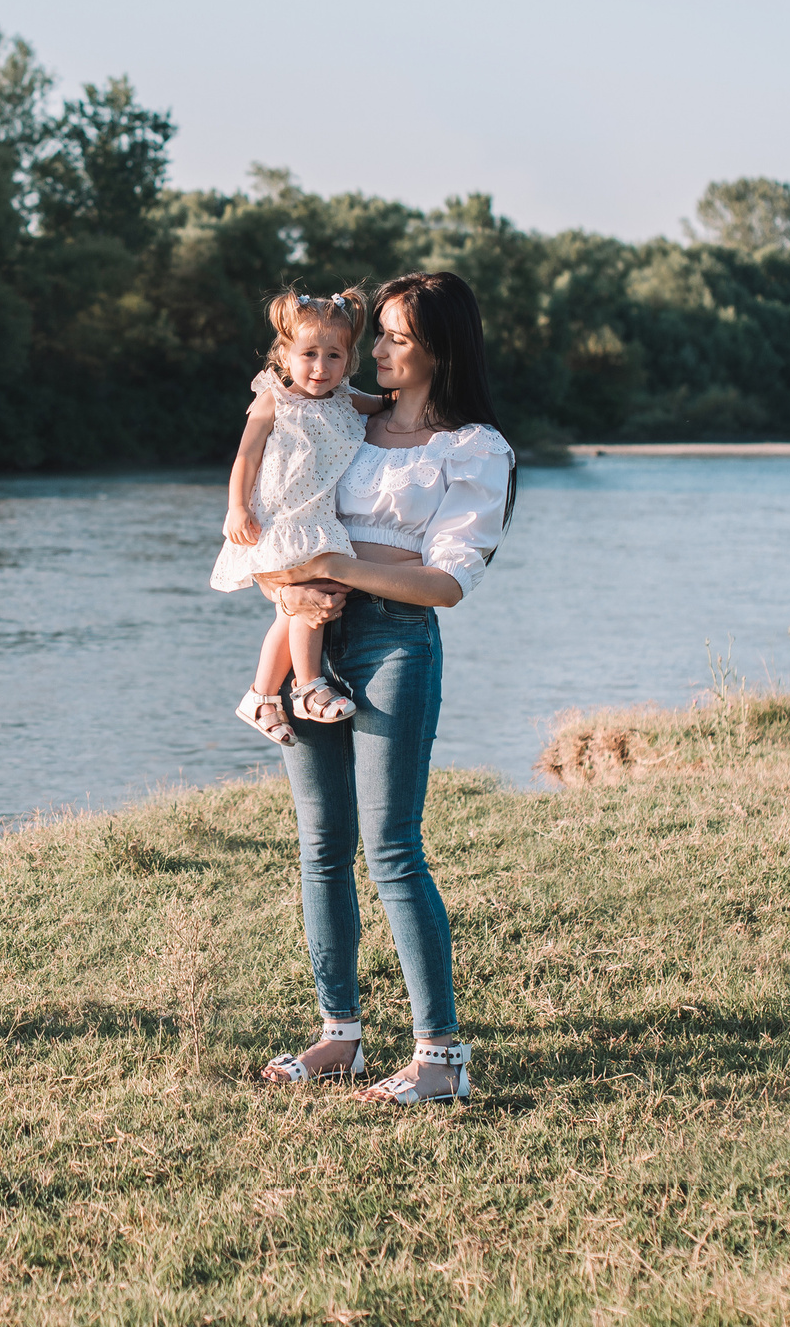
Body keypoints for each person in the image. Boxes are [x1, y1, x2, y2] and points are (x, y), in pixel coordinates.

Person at [252, 271, 516, 1107]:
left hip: (396, 644)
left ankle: (441, 1055)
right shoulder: (344, 419)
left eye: (400, 337)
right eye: (384, 335)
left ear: (441, 346)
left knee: (392, 848)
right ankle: (341, 1035)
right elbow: (281, 515)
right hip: (312, 633)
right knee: (320, 845)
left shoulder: (474, 447)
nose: (381, 350)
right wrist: (290, 589)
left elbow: (445, 583)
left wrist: (338, 564)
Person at [212, 290, 388, 744]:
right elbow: (245, 460)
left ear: (349, 360)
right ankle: (307, 686)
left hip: (317, 523)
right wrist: (237, 508)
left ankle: (261, 696)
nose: (320, 367)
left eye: (334, 355)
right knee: (308, 599)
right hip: (276, 522)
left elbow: (388, 404)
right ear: (284, 355)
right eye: (308, 354)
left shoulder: (346, 400)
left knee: (296, 609)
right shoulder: (274, 400)